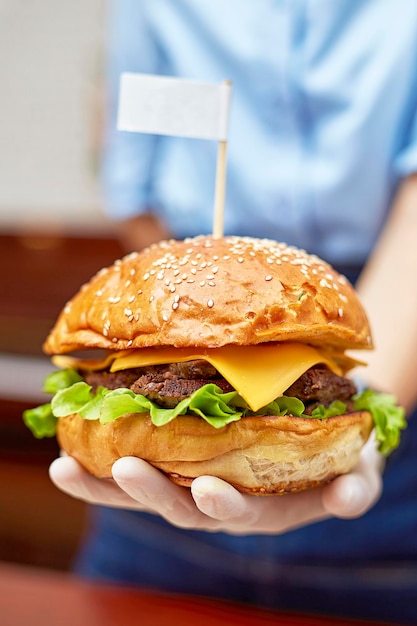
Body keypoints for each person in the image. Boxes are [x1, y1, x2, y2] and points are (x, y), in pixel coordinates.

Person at [49, 1, 417, 623]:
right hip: (172, 283)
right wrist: (196, 323)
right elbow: (132, 180)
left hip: (386, 317)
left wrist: (370, 392)